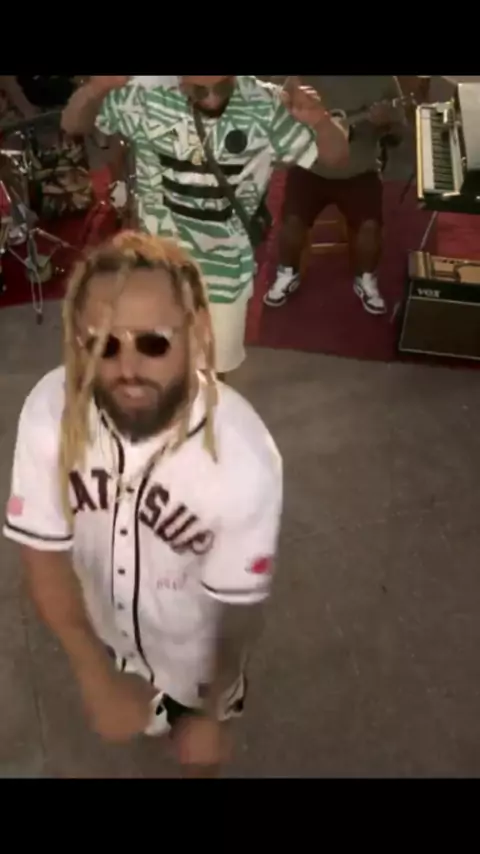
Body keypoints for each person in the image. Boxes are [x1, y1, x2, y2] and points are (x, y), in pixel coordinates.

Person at [3, 231, 283, 777]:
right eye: (103, 344)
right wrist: (92, 671)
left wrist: (210, 710)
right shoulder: (49, 412)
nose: (127, 368)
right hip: (106, 634)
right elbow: (42, 555)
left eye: (153, 343)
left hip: (195, 660)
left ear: (196, 332)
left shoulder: (244, 459)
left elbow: (240, 612)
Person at [61, 75, 348, 379]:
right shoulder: (147, 95)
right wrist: (97, 88)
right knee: (154, 363)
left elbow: (337, 158)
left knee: (211, 374)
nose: (212, 99)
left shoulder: (264, 104)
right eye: (199, 90)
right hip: (159, 267)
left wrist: (321, 122)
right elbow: (72, 124)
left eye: (222, 87)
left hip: (225, 272)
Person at [264, 75, 413, 316]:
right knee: (291, 223)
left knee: (370, 227)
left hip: (359, 172)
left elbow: (397, 137)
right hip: (310, 167)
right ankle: (287, 273)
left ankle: (366, 279)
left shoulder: (384, 80)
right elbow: (280, 116)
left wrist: (386, 123)